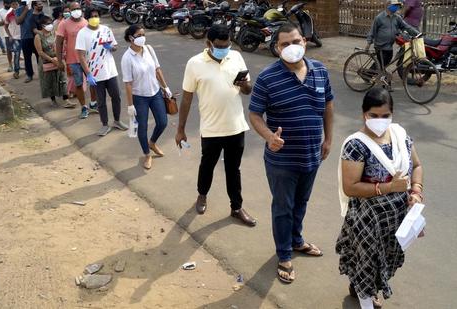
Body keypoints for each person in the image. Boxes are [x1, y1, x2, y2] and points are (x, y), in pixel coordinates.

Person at [249, 22, 334, 284]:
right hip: (281, 160)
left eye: (296, 41)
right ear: (277, 48)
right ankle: (284, 254)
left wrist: (328, 138)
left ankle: (296, 241)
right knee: (283, 208)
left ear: (305, 42)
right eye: (285, 44)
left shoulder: (320, 71)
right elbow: (254, 113)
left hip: (311, 155)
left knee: (301, 203)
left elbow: (328, 105)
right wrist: (268, 137)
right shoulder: (267, 77)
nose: (291, 47)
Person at [336, 87, 424, 309]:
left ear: (392, 114)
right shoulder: (356, 145)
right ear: (363, 114)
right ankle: (365, 295)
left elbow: (417, 166)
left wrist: (415, 191)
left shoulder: (400, 136)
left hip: (395, 220)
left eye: (385, 115)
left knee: (385, 260)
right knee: (366, 263)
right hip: (367, 221)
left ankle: (361, 287)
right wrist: (389, 187)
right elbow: (351, 187)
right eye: (373, 115)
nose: (379, 120)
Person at [176, 24, 257, 227]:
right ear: (209, 44)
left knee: (233, 169)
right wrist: (180, 130)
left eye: (228, 44)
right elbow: (186, 98)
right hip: (211, 129)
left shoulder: (236, 57)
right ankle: (202, 195)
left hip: (236, 126)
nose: (225, 49)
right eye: (220, 45)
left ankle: (236, 207)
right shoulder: (194, 63)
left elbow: (247, 89)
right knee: (207, 165)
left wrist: (244, 85)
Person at [121, 25, 171, 169]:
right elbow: (128, 84)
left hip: (155, 93)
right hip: (139, 97)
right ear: (131, 38)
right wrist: (130, 105)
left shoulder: (149, 49)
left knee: (162, 122)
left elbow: (157, 69)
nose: (142, 37)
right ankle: (147, 154)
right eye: (139, 35)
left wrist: (165, 87)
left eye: (144, 34)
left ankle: (152, 142)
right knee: (142, 128)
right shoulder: (127, 58)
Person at [75, 6, 127, 136]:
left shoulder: (106, 30)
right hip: (95, 74)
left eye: (96, 16)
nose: (94, 18)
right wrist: (88, 74)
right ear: (87, 18)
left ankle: (117, 121)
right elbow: (81, 56)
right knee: (101, 101)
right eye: (92, 16)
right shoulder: (82, 33)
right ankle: (104, 125)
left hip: (110, 71)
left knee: (116, 97)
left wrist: (111, 47)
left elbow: (115, 46)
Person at [56, 2, 99, 114]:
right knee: (78, 84)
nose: (77, 10)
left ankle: (93, 103)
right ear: (69, 11)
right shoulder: (64, 24)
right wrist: (59, 61)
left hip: (88, 59)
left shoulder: (86, 22)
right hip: (73, 60)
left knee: (93, 82)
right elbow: (58, 43)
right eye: (74, 9)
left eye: (78, 8)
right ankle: (84, 107)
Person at [366, 0, 420, 72]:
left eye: (397, 6)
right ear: (388, 5)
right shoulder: (379, 18)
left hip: (389, 45)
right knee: (382, 63)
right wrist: (368, 43)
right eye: (395, 5)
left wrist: (417, 33)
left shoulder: (397, 18)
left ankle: (371, 74)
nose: (396, 7)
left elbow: (406, 27)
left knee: (385, 62)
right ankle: (373, 75)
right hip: (380, 45)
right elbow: (372, 31)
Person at [34, 15, 68, 106]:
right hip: (46, 61)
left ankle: (66, 99)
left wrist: (59, 58)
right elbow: (40, 52)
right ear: (42, 25)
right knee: (49, 81)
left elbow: (59, 45)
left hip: (57, 58)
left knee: (62, 78)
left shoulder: (55, 33)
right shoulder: (38, 37)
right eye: (48, 24)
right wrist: (52, 60)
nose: (50, 25)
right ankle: (53, 100)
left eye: (51, 23)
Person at [16, 0, 45, 83]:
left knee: (39, 56)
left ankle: (42, 73)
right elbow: (18, 21)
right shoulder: (18, 10)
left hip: (36, 37)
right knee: (27, 57)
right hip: (25, 37)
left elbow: (42, 22)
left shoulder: (36, 9)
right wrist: (25, 10)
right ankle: (29, 74)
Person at [5, 0, 22, 79]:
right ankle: (16, 71)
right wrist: (10, 36)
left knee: (26, 54)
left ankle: (29, 71)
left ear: (18, 4)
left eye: (16, 4)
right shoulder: (9, 15)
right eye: (13, 4)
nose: (15, 5)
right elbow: (5, 26)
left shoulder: (22, 13)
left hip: (24, 37)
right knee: (17, 55)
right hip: (15, 38)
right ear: (11, 5)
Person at [0, 0, 13, 71]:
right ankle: (10, 65)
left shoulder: (14, 9)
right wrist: (7, 20)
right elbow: (0, 24)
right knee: (9, 50)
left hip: (17, 33)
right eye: (7, 4)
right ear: (4, 4)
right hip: (7, 34)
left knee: (17, 50)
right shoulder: (0, 11)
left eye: (9, 3)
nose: (8, 5)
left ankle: (17, 65)